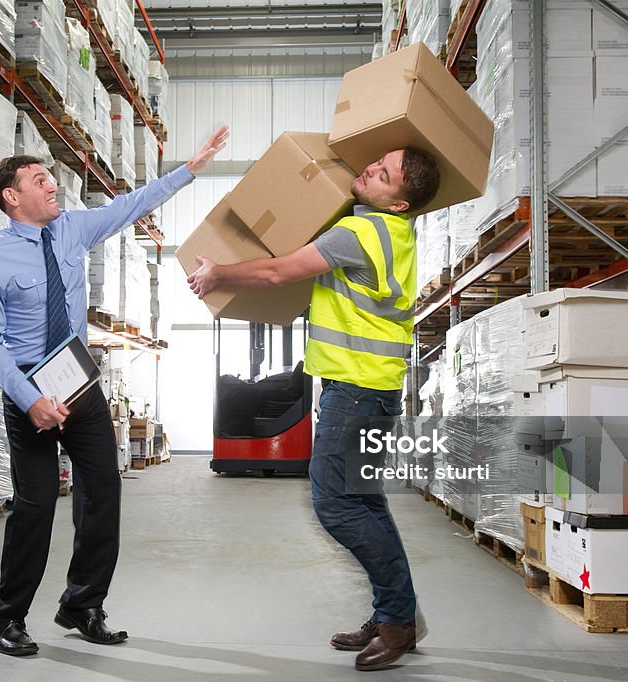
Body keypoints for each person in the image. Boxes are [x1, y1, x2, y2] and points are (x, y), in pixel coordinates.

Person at [0, 126, 229, 657]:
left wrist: (191, 168)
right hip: (28, 391)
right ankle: (7, 616)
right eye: (41, 181)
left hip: (79, 384)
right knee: (35, 504)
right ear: (11, 198)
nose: (53, 188)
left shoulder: (71, 229)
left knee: (104, 490)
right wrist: (30, 401)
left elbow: (132, 206)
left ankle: (83, 604)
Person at [188, 147, 440, 672]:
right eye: (379, 161)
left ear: (397, 203)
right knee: (367, 504)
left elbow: (281, 273)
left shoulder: (360, 234)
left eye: (384, 173)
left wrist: (219, 274)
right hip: (374, 389)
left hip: (356, 392)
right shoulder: (393, 232)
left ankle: (397, 624)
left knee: (337, 506)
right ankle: (395, 613)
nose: (369, 169)